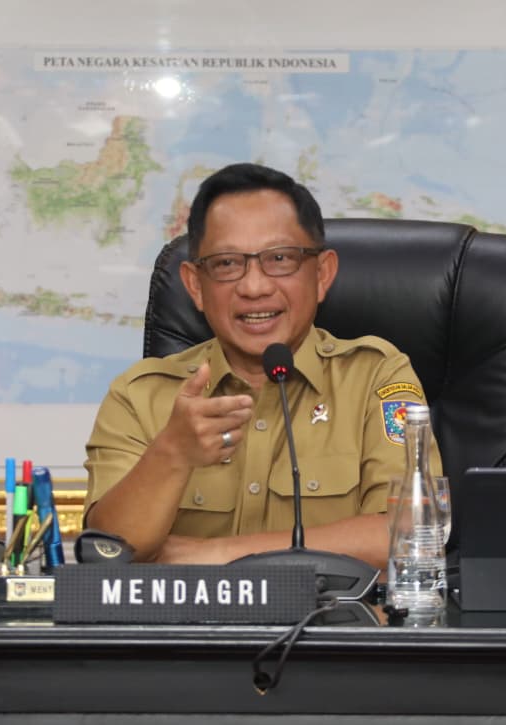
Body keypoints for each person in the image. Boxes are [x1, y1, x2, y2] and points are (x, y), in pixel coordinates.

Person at [82, 163, 436, 567]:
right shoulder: (141, 396)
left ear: (322, 274)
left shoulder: (375, 377)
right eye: (226, 264)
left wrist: (217, 554)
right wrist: (172, 453)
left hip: (329, 611)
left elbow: (409, 533)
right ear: (195, 285)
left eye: (280, 258)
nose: (254, 287)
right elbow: (107, 553)